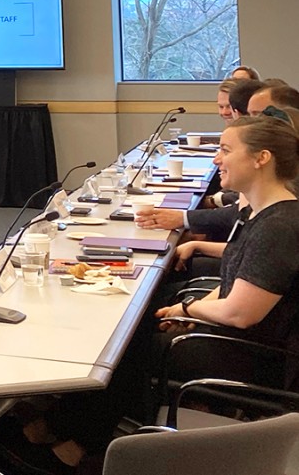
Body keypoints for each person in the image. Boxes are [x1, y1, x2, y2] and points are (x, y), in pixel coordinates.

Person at [21, 113, 299, 472]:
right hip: (242, 338)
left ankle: (75, 447)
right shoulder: (264, 214)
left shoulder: (278, 227)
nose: (217, 159)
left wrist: (187, 310)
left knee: (129, 348)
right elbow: (235, 281)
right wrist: (192, 309)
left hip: (253, 355)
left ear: (262, 158)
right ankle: (61, 425)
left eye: (226, 150)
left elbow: (240, 313)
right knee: (136, 326)